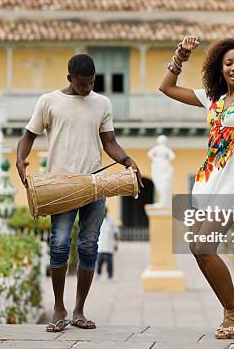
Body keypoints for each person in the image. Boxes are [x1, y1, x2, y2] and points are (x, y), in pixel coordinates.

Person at [159, 35, 234, 339]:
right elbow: (167, 88)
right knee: (196, 247)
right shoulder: (212, 98)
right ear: (219, 67)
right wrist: (181, 55)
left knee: (204, 245)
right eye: (228, 63)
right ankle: (232, 309)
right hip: (207, 181)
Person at [16, 54, 142, 333]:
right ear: (70, 78)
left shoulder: (102, 103)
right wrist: (20, 160)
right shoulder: (48, 102)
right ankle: (59, 308)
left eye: (91, 83)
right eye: (82, 83)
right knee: (60, 244)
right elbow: (28, 137)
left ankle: (79, 310)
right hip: (60, 185)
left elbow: (110, 142)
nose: (87, 88)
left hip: (95, 185)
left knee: (88, 246)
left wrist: (127, 161)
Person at [96, 207, 120, 280]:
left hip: (109, 244)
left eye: (105, 211)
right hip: (100, 245)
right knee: (99, 261)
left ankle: (110, 276)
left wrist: (116, 244)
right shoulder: (97, 219)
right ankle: (98, 274)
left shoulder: (111, 220)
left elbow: (116, 232)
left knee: (110, 262)